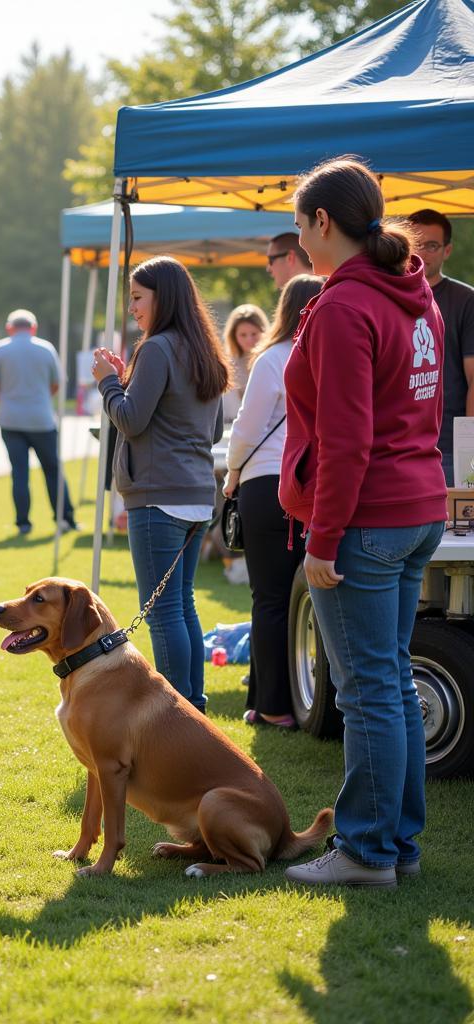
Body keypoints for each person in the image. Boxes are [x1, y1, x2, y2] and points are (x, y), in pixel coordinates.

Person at [280, 158, 446, 888]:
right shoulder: (414, 293)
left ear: (322, 223)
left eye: (297, 226)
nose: (297, 241)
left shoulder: (348, 306)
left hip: (366, 519)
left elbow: (347, 438)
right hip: (415, 505)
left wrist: (322, 539)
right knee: (390, 682)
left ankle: (369, 851)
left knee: (370, 689)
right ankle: (396, 845)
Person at [91, 256, 229, 713]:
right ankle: (195, 707)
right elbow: (208, 433)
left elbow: (130, 419)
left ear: (161, 297)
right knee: (182, 606)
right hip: (194, 494)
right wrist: (124, 378)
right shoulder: (202, 348)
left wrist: (109, 384)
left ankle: (179, 717)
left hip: (159, 498)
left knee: (165, 611)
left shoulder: (157, 348)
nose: (131, 307)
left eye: (136, 297)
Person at [223, 275, 324, 729]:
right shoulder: (338, 355)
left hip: (268, 483)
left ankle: (273, 707)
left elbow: (246, 427)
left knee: (270, 600)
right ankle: (291, 699)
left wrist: (231, 472)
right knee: (313, 599)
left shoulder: (272, 359)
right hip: (321, 487)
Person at [0, 308, 77, 536]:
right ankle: (65, 518)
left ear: (9, 328)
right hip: (41, 418)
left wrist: (0, 399)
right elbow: (56, 383)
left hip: (10, 418)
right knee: (53, 470)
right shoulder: (46, 348)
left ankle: (23, 522)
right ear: (33, 327)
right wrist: (41, 397)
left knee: (19, 473)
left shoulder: (0, 348)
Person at [407, 209, 474, 485]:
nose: (422, 252)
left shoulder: (465, 300)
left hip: (444, 447)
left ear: (447, 250)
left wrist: (468, 447)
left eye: (431, 245)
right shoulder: (386, 297)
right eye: (415, 244)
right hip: (396, 446)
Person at [221, 304, 269, 423]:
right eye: (243, 335)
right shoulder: (228, 364)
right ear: (233, 336)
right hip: (236, 424)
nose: (249, 340)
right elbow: (231, 409)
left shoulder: (270, 360)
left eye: (254, 334)